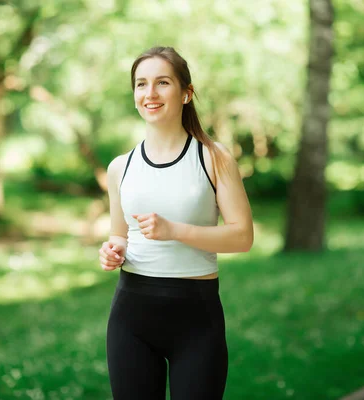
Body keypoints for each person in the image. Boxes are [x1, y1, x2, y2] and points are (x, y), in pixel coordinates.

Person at [98, 46, 254, 400]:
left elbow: (242, 237)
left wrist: (174, 231)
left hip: (195, 319)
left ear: (186, 93)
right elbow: (120, 234)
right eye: (141, 84)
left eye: (162, 82)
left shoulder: (214, 158)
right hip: (130, 318)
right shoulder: (120, 167)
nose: (149, 93)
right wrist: (113, 251)